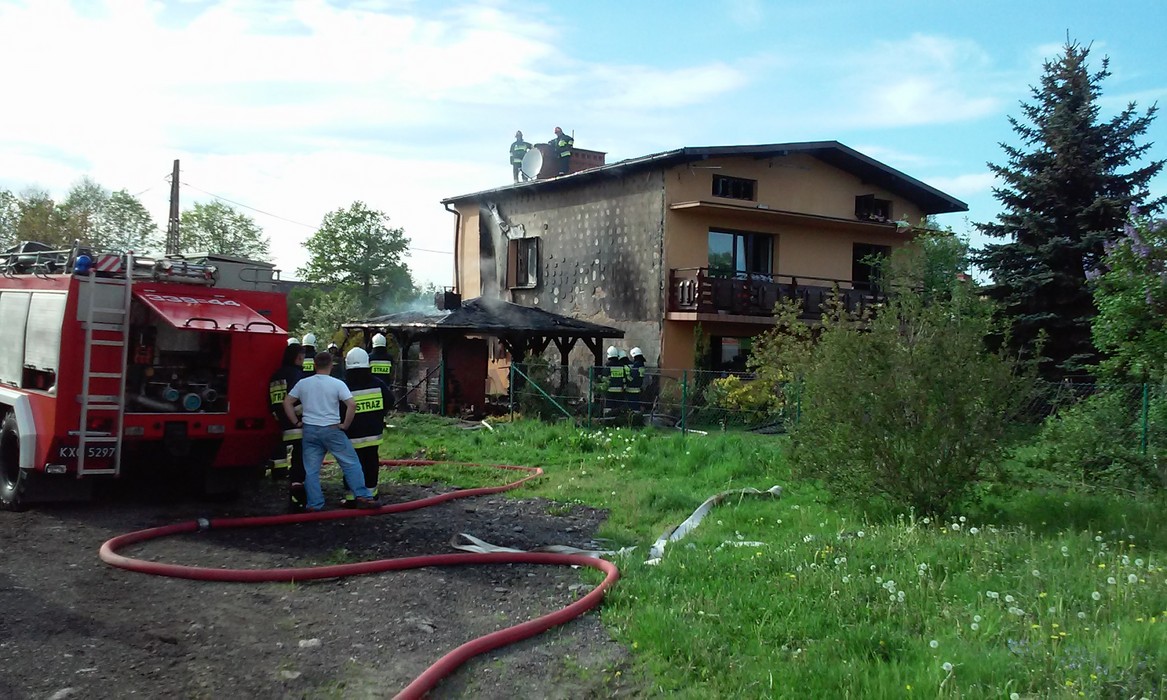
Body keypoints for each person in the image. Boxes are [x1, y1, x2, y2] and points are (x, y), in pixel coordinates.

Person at [283, 351, 378, 512]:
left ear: (314, 365)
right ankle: (363, 496)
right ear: (331, 365)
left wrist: (296, 422)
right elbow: (352, 404)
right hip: (332, 430)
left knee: (311, 470)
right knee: (351, 463)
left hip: (310, 431)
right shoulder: (337, 384)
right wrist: (345, 425)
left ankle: (314, 504)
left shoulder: (303, 383)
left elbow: (287, 402)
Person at [340, 347, 392, 505]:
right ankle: (371, 495)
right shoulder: (378, 384)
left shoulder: (343, 386)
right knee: (371, 463)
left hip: (351, 436)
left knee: (351, 465)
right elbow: (390, 401)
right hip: (372, 435)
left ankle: (351, 497)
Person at [268, 343, 307, 508]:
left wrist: (279, 417)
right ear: (298, 357)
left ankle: (279, 473)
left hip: (281, 423)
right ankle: (298, 496)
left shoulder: (275, 376)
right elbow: (300, 401)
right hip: (298, 425)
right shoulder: (297, 375)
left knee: (282, 452)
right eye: (302, 357)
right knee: (300, 461)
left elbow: (272, 401)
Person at [604, 345, 625, 414]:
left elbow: (604, 376)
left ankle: (608, 417)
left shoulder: (608, 365)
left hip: (610, 390)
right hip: (619, 389)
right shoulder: (621, 365)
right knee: (618, 406)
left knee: (609, 406)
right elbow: (624, 376)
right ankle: (618, 417)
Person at [626, 346, 646, 413]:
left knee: (633, 406)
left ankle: (634, 416)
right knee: (636, 404)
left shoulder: (637, 365)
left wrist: (626, 379)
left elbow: (632, 376)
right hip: (638, 387)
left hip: (632, 389)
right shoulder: (641, 364)